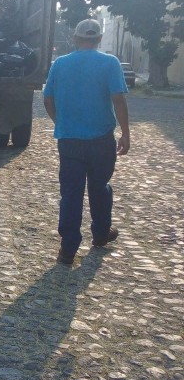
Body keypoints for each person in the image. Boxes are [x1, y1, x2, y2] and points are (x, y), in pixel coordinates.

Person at [43, 19, 130, 265]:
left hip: (69, 140)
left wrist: (61, 123)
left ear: (75, 38)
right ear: (99, 39)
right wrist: (125, 133)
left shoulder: (60, 64)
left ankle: (68, 249)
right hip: (101, 140)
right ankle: (101, 233)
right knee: (99, 186)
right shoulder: (109, 63)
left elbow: (47, 99)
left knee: (70, 193)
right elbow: (118, 100)